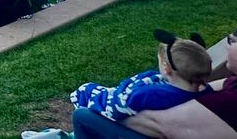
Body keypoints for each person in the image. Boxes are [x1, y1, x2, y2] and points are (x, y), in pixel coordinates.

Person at [70, 31, 213, 129]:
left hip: (125, 126)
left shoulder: (151, 94)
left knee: (86, 91)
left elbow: (117, 108)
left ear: (166, 67)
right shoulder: (206, 92)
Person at [121, 26, 237, 137]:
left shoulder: (154, 94)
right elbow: (224, 83)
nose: (227, 46)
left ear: (166, 67)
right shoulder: (206, 90)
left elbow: (128, 107)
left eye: (232, 41)